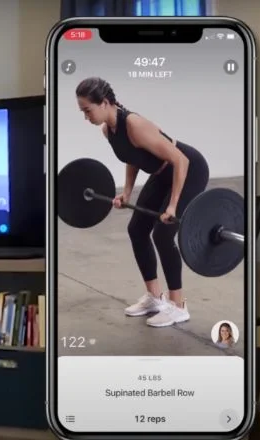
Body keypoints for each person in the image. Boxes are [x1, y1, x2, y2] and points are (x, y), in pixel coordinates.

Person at [75, 77, 210, 328]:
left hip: (189, 170)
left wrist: (172, 205)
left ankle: (178, 305)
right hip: (162, 174)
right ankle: (154, 298)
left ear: (104, 103)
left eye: (87, 110)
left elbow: (181, 161)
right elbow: (131, 156)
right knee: (136, 229)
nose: (86, 117)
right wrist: (127, 192)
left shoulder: (135, 124)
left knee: (162, 234)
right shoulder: (108, 129)